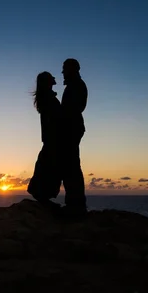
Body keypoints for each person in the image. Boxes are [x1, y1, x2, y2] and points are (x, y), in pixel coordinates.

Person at [27, 71, 62, 209]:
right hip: (52, 138)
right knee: (49, 167)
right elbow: (54, 118)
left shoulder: (47, 98)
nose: (54, 78)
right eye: (51, 77)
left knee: (47, 166)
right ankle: (42, 196)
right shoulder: (48, 99)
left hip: (51, 137)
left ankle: (42, 196)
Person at [60, 58, 88, 217]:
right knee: (70, 166)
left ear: (73, 69)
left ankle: (76, 205)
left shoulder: (77, 85)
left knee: (71, 167)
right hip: (71, 127)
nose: (62, 72)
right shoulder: (74, 85)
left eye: (65, 68)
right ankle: (74, 203)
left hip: (72, 128)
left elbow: (74, 108)